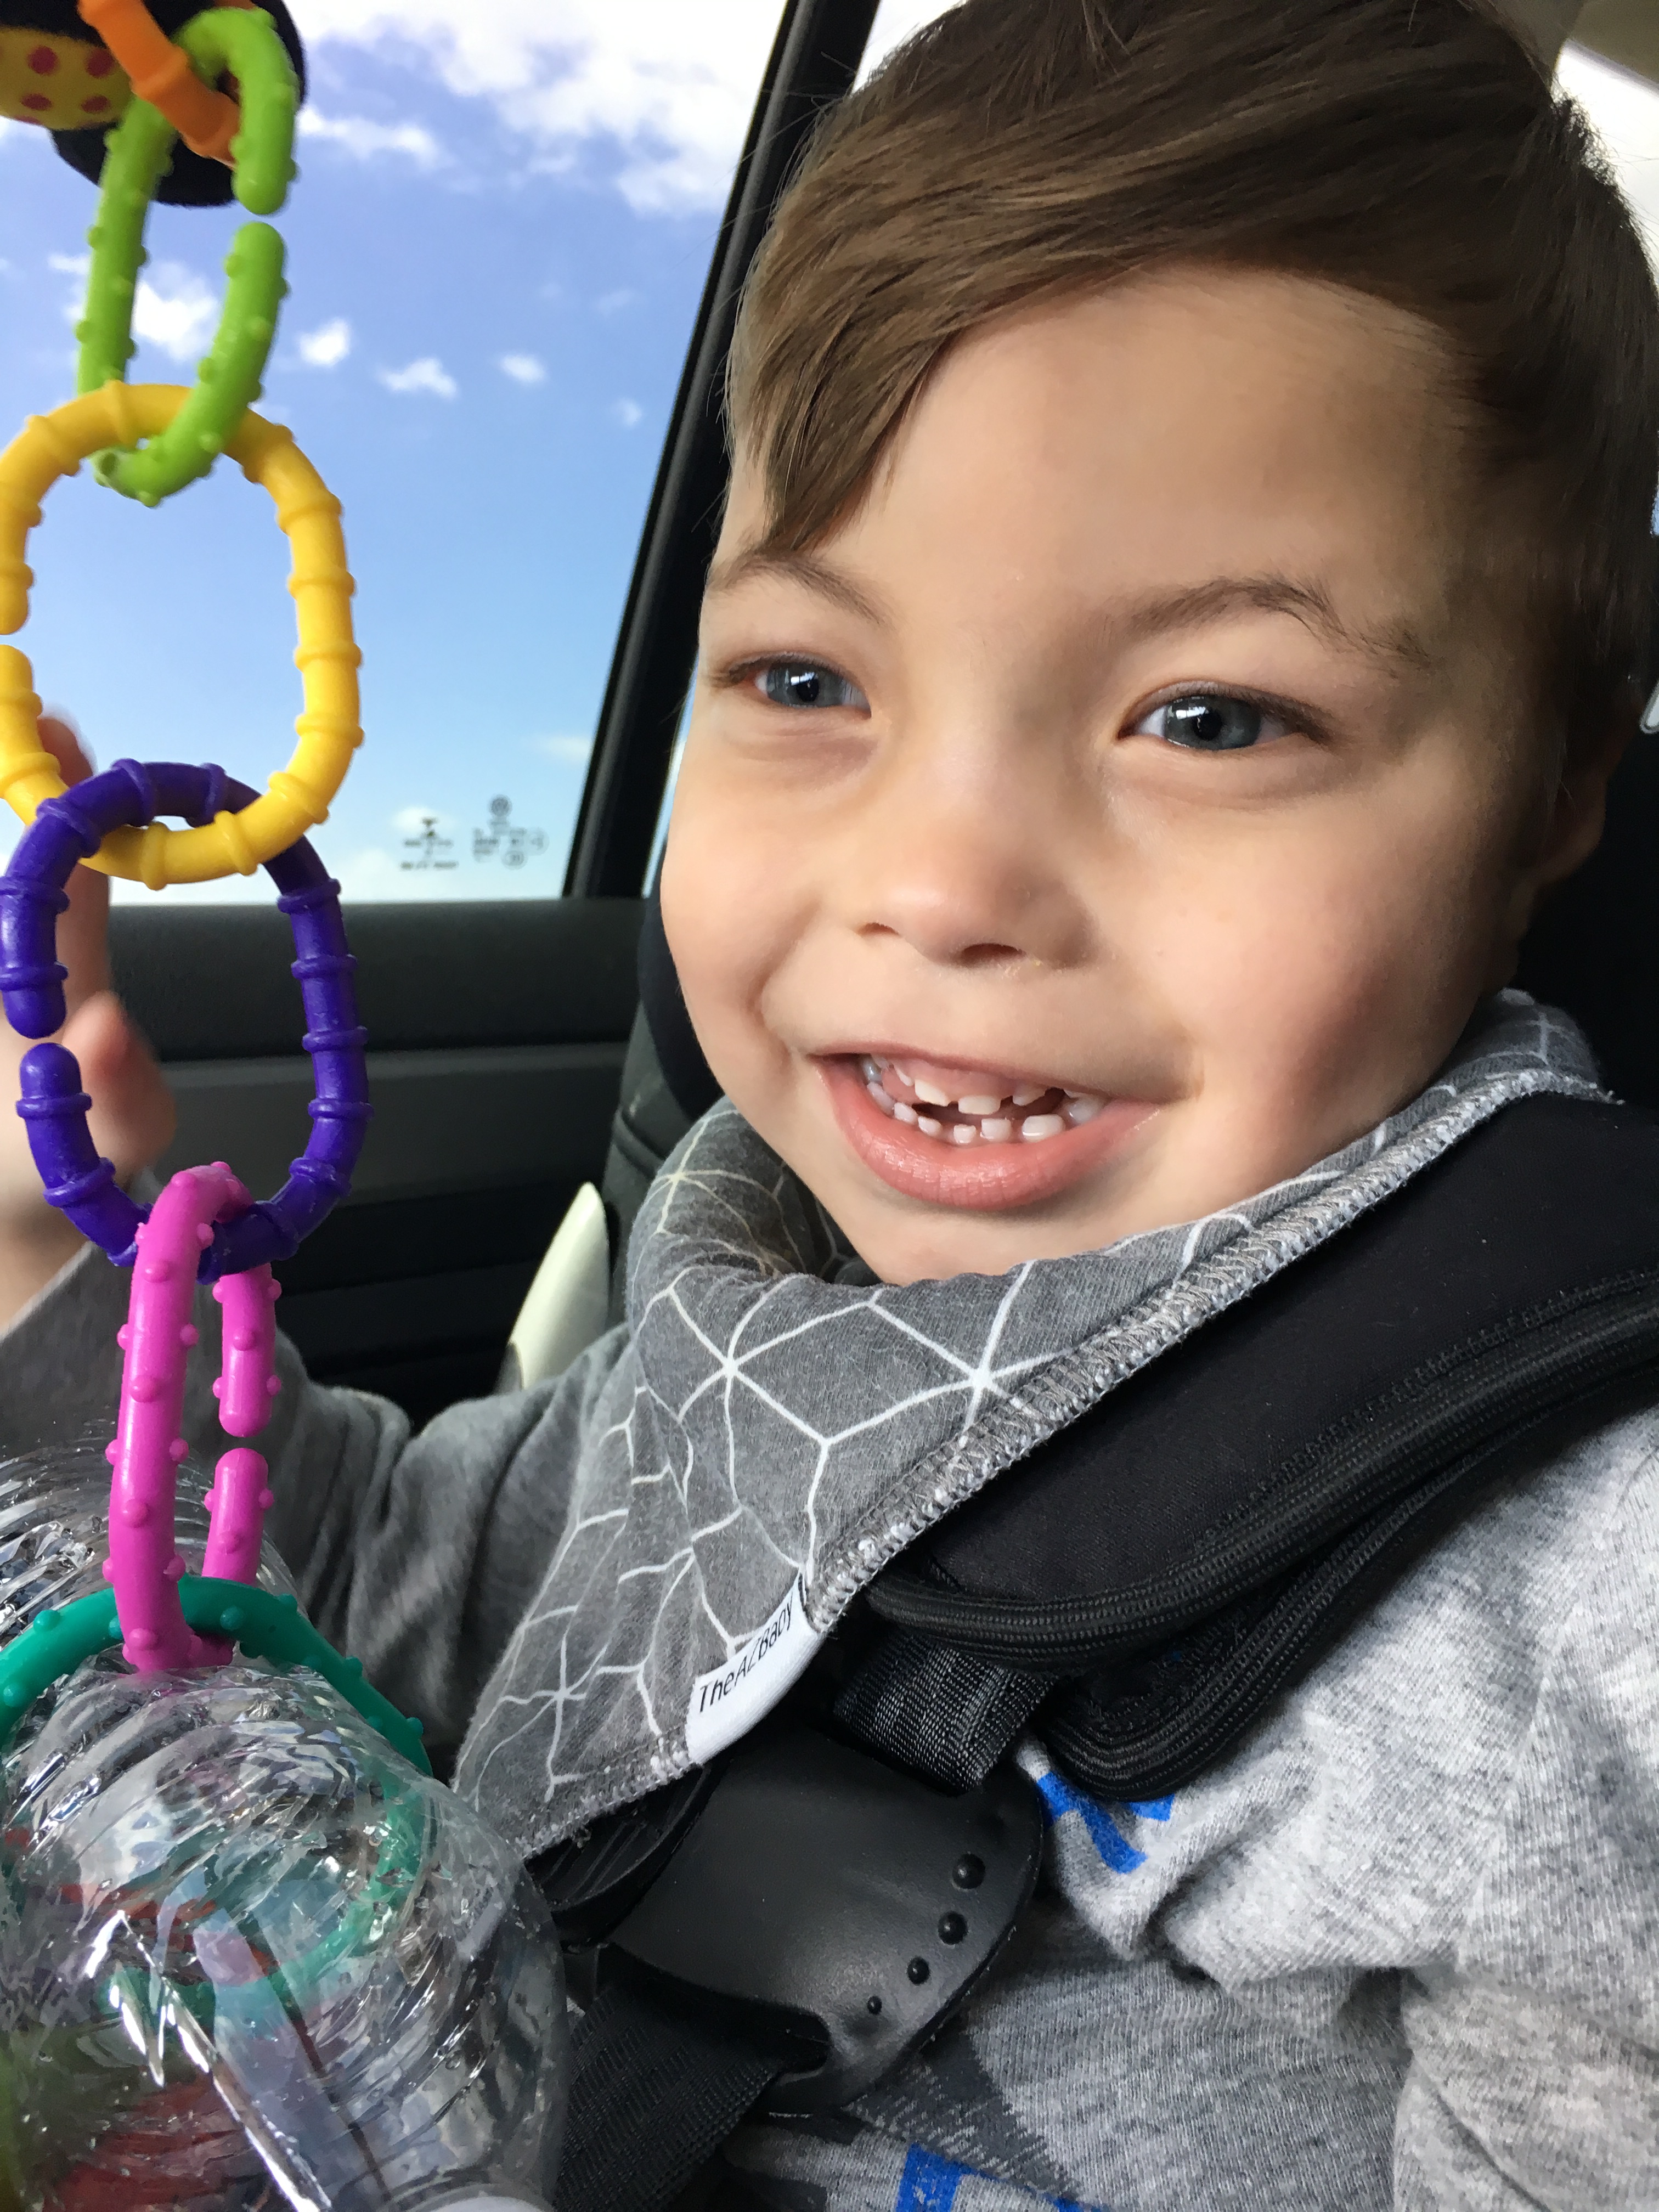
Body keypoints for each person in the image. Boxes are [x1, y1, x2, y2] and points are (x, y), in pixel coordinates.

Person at [2, 0, 1656, 2202]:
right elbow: (386, 1602)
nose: (939, 882)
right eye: (808, 680)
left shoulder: (1577, 1596)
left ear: (1555, 785)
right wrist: (56, 1251)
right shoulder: (760, 1278)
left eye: (1213, 718)